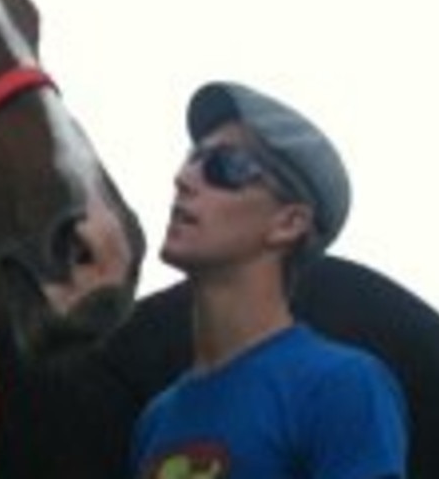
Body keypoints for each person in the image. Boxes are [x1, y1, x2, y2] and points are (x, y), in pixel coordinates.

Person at [129, 80, 408, 479]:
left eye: (223, 167)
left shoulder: (342, 388)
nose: (184, 179)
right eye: (193, 157)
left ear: (288, 222)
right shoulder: (156, 419)